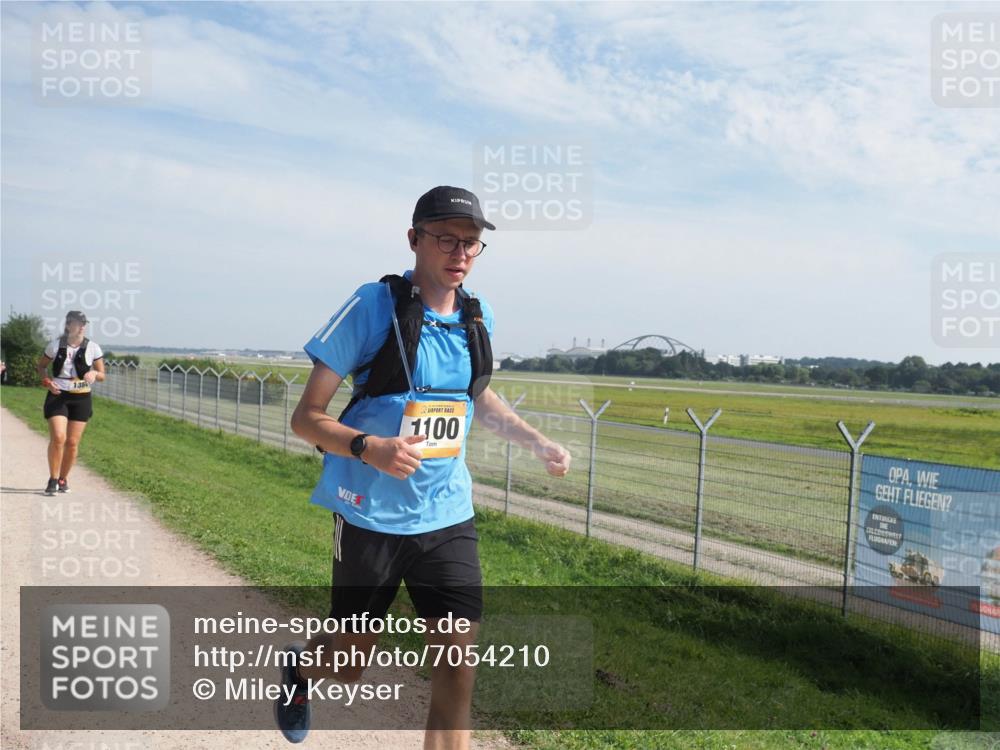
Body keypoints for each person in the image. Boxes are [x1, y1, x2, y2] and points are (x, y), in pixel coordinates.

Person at [276, 186, 571, 749]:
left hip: (446, 517)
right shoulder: (371, 305)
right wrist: (372, 449)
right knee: (346, 663)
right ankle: (301, 672)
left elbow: (477, 400)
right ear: (414, 239)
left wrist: (536, 441)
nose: (459, 253)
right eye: (446, 239)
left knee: (457, 669)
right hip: (370, 517)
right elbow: (306, 419)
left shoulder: (474, 319)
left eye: (471, 243)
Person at [35, 311, 105, 494]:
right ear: (68, 326)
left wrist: (95, 374)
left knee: (72, 442)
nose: (82, 326)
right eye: (78, 322)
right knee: (59, 437)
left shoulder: (93, 348)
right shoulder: (55, 346)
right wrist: (47, 382)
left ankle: (63, 479)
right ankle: (52, 479)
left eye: (84, 323)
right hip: (58, 395)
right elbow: (41, 366)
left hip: (81, 397)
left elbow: (102, 375)